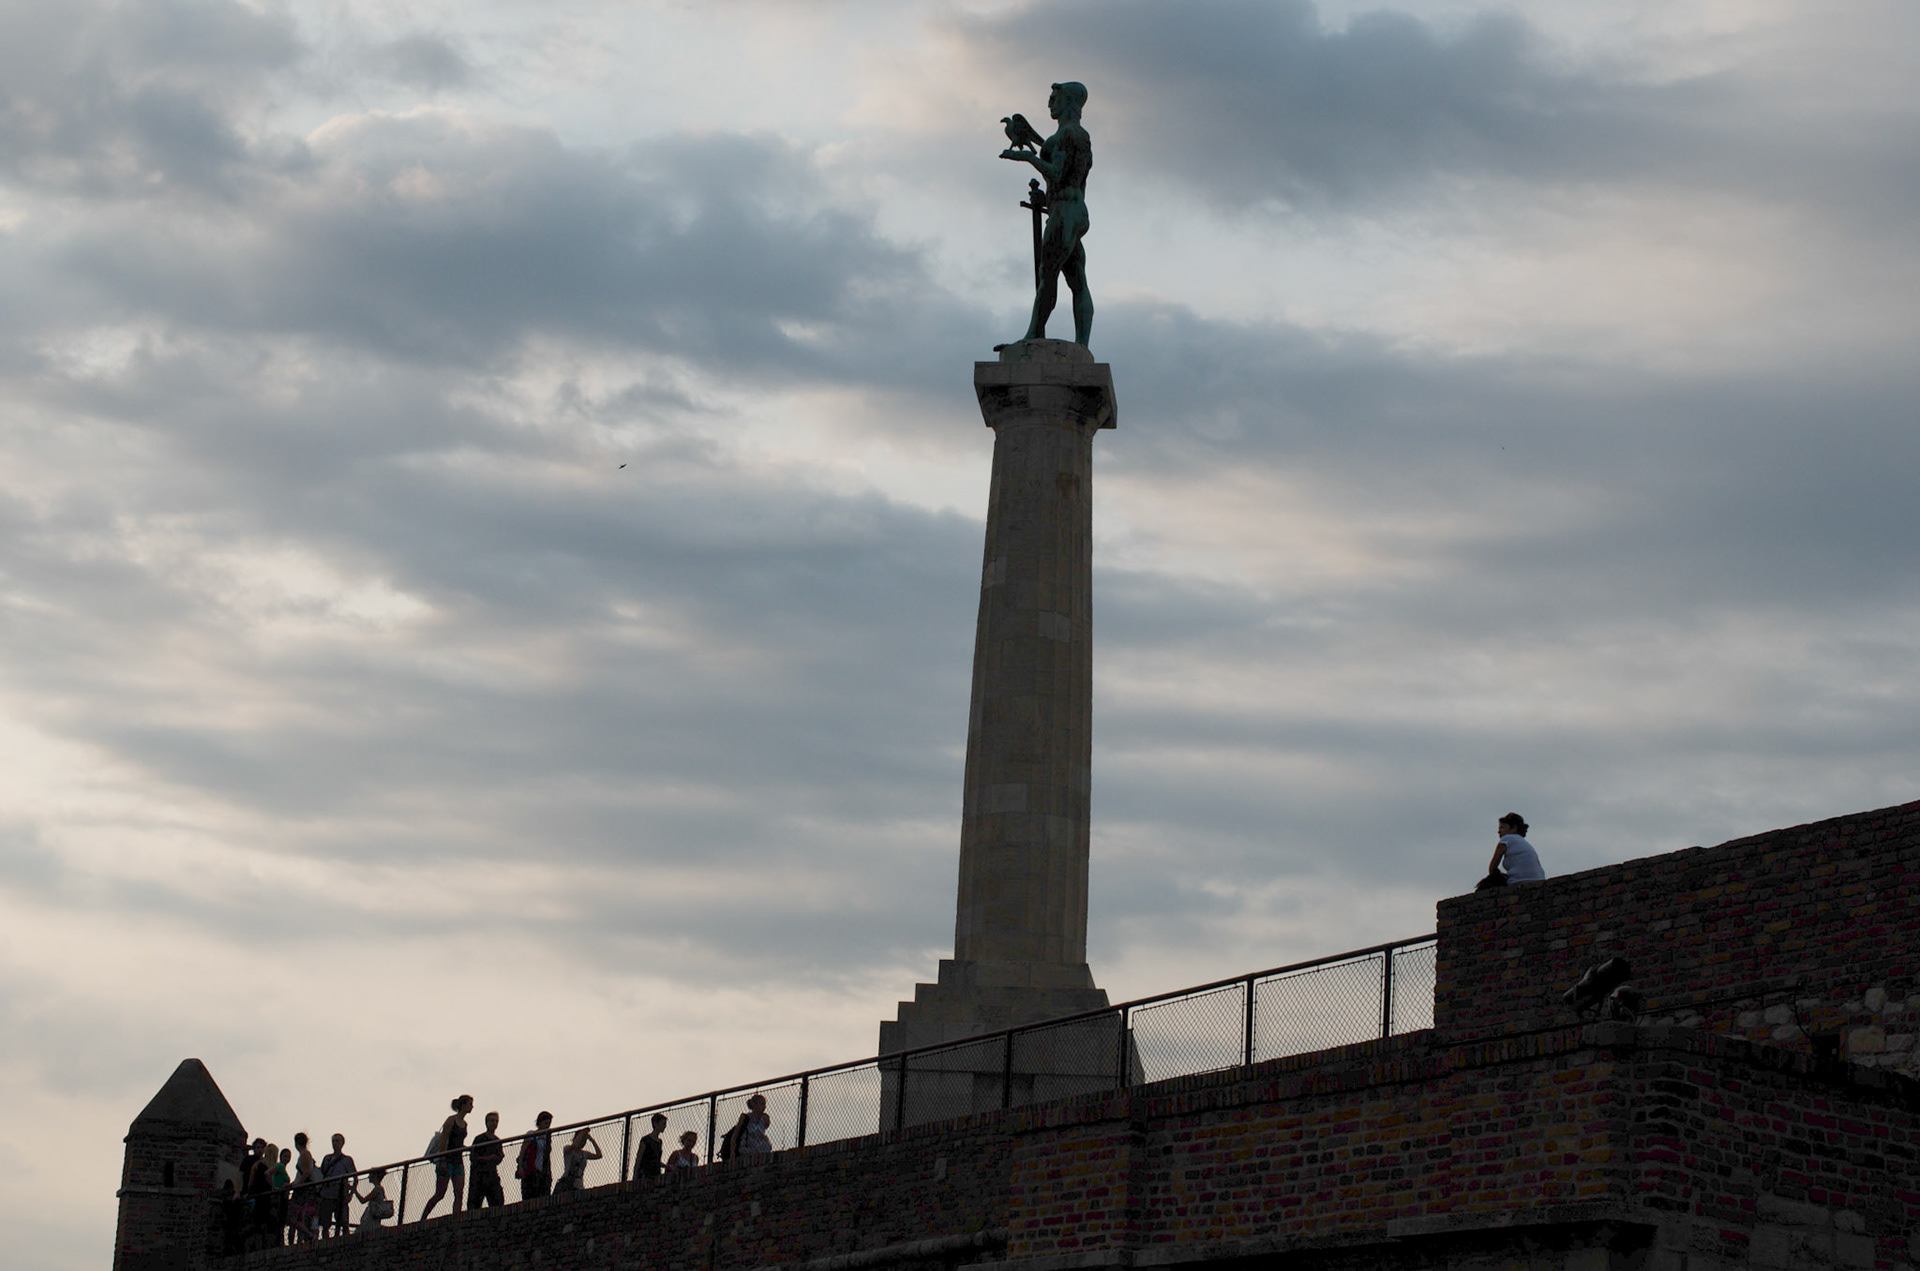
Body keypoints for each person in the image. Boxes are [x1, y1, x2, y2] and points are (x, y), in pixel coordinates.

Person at [999, 81, 1095, 346]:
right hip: (1073, 210)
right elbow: (1074, 182)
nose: (1049, 103)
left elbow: (1058, 174)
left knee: (1047, 274)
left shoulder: (1066, 136)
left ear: (1069, 102)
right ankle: (1082, 345)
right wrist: (1047, 199)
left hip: (1065, 212)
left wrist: (1028, 159)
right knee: (1077, 280)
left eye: (1055, 98)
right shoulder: (1079, 136)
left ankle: (1033, 335)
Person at [418, 1094, 473, 1220]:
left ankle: (456, 1218)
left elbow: (457, 1142)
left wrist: (466, 1148)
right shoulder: (451, 1120)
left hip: (458, 1160)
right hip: (447, 1160)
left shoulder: (465, 1124)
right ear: (463, 1105)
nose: (472, 1107)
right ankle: (423, 1217)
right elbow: (444, 1140)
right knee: (440, 1193)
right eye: (470, 1104)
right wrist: (442, 1160)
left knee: (459, 1192)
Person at [317, 1133, 356, 1238]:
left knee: (342, 1221)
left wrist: (351, 1194)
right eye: (333, 1141)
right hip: (327, 1194)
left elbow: (355, 1178)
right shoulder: (327, 1158)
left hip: (340, 1194)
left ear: (342, 1143)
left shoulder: (347, 1160)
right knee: (325, 1223)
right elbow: (321, 1175)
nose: (334, 1143)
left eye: (337, 1141)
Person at [1489, 813, 1546, 883]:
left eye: (1502, 827)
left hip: (1519, 880)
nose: (1498, 831)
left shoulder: (1506, 838)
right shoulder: (1523, 842)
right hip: (1539, 879)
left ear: (1514, 828)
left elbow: (1492, 868)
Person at [468, 1111, 506, 1209]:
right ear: (487, 1122)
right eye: (492, 1120)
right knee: (474, 1204)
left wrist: (498, 1158)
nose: (494, 1123)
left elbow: (498, 1159)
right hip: (478, 1175)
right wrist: (488, 1158)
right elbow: (473, 1157)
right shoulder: (479, 1139)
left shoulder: (497, 1140)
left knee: (497, 1201)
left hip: (491, 1173)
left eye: (496, 1121)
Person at [516, 1110, 554, 1201]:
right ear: (539, 1123)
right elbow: (522, 1151)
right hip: (531, 1169)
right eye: (545, 1123)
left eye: (549, 1123)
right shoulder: (531, 1134)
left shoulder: (547, 1138)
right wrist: (520, 1166)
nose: (547, 1126)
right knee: (530, 1195)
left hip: (543, 1170)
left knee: (544, 1195)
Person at [289, 1132, 319, 1242]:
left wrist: (298, 1184)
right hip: (302, 1188)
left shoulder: (305, 1154)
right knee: (297, 1217)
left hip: (303, 1190)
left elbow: (307, 1172)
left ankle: (307, 1236)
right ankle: (305, 1236)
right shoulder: (305, 1154)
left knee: (295, 1216)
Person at [553, 1127, 601, 1194]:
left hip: (579, 1184)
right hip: (567, 1181)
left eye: (584, 1141)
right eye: (581, 1140)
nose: (582, 1143)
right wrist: (582, 1133)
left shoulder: (584, 1154)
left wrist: (592, 1140)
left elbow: (599, 1155)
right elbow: (574, 1146)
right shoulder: (568, 1149)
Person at [633, 1113, 668, 1179]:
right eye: (663, 1123)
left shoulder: (659, 1142)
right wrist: (635, 1175)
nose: (665, 1126)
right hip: (645, 1174)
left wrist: (666, 1166)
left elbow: (656, 1160)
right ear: (655, 1124)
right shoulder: (646, 1140)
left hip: (655, 1173)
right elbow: (639, 1158)